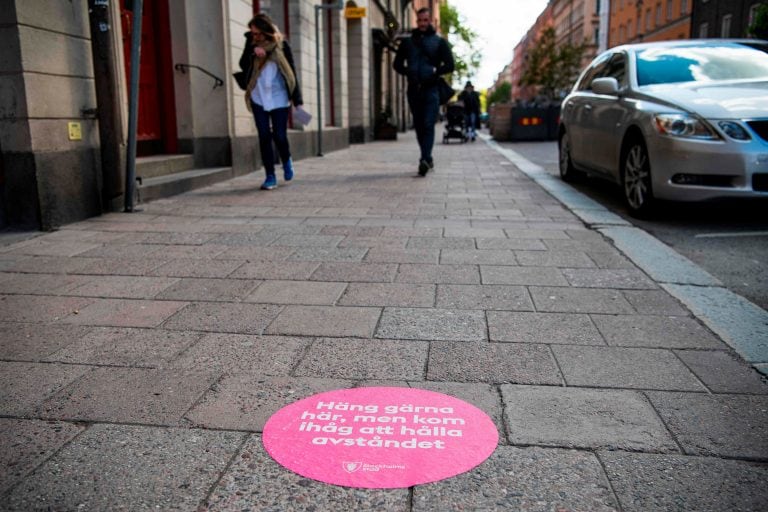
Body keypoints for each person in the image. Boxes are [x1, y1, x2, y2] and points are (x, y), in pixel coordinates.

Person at [238, 14, 303, 190]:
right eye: (252, 34)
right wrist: (253, 53)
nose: (255, 37)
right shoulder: (251, 44)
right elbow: (242, 64)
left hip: (279, 97)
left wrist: (298, 100)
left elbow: (291, 73)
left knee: (280, 136)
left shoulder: (282, 46)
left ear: (266, 31)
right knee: (264, 136)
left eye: (257, 33)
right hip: (258, 97)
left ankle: (287, 159)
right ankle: (270, 176)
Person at [393, 7, 455, 176]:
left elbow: (450, 64)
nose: (422, 24)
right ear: (416, 21)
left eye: (425, 20)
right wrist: (409, 72)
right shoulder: (407, 43)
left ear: (430, 21)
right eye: (419, 21)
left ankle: (424, 159)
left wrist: (436, 73)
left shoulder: (439, 42)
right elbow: (397, 64)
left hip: (431, 90)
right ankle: (427, 157)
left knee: (428, 124)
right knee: (419, 126)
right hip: (413, 90)